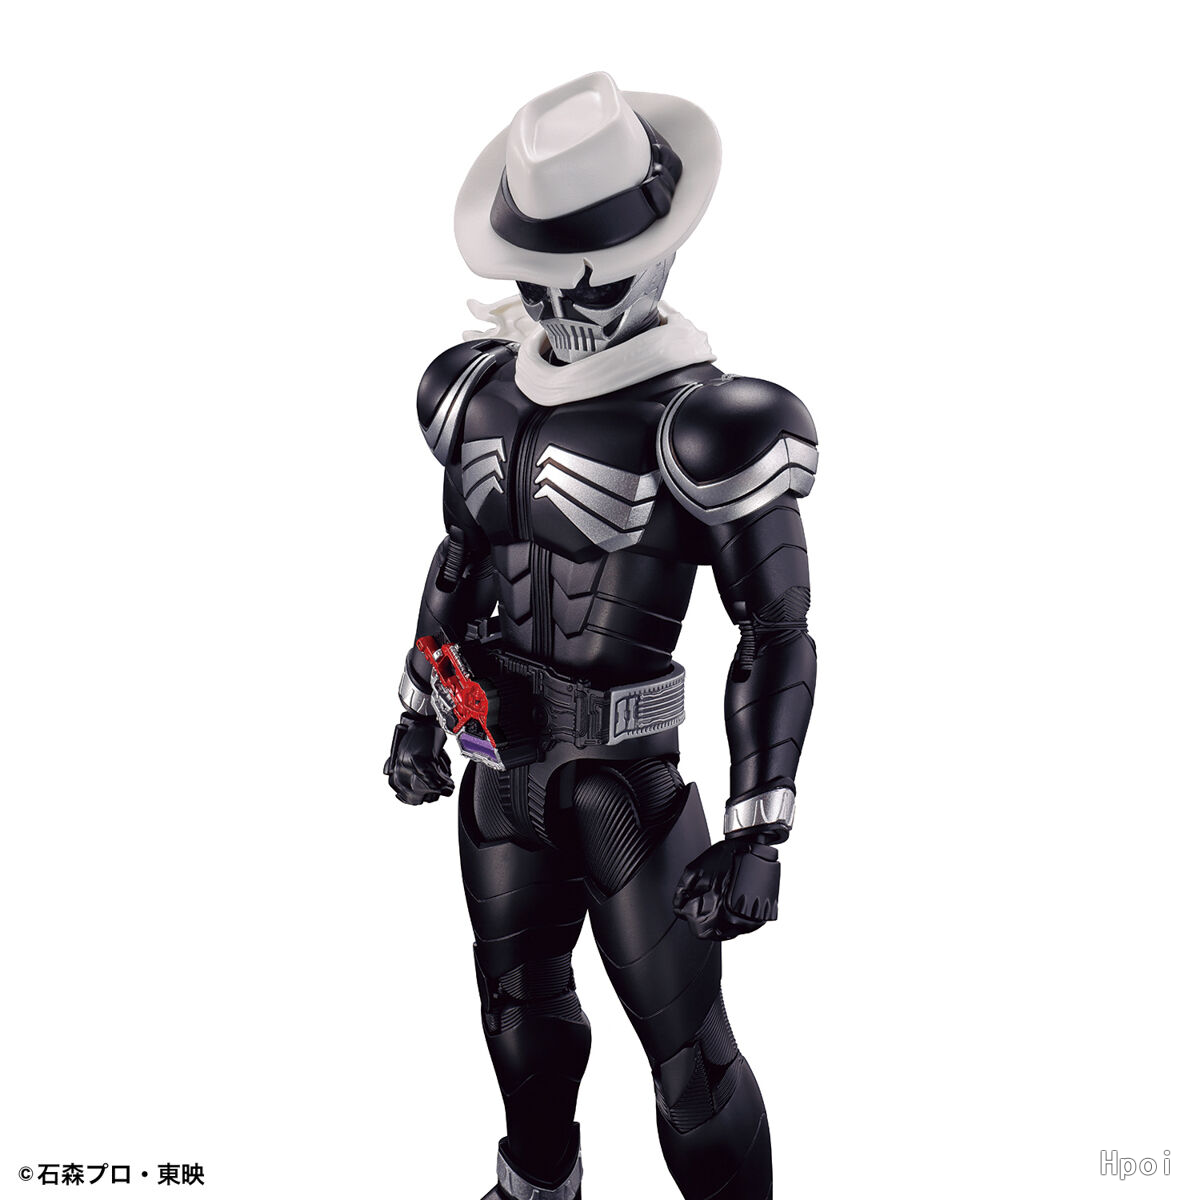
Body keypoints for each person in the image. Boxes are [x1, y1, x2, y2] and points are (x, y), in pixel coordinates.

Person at [385, 71, 818, 1200]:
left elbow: (775, 630)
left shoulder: (708, 424)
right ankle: (538, 1186)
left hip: (627, 788)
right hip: (500, 773)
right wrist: (417, 709)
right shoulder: (475, 393)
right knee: (518, 1020)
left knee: (691, 1067)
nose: (569, 306)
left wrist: (760, 827)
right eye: (544, 278)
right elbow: (458, 564)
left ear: (660, 249)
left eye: (597, 271)